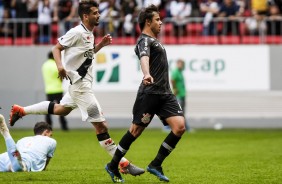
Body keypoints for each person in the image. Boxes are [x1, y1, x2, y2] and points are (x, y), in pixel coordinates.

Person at [9, 0, 144, 176]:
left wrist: (100, 46)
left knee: (61, 109)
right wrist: (59, 66)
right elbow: (56, 48)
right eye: (95, 13)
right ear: (86, 16)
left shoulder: (89, 33)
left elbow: (86, 56)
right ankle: (122, 163)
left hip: (79, 85)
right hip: (81, 87)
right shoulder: (77, 32)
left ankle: (22, 110)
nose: (99, 15)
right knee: (101, 126)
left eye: (98, 12)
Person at [105, 4, 186, 183]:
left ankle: (156, 164)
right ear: (148, 22)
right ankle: (113, 165)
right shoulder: (144, 40)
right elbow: (144, 57)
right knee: (134, 131)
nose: (161, 22)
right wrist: (146, 74)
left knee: (179, 127)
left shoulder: (155, 41)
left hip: (165, 94)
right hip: (149, 93)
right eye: (157, 19)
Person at [42, 51, 69, 131]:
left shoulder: (44, 65)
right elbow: (61, 76)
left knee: (48, 110)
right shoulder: (56, 65)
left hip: (48, 90)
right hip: (57, 89)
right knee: (61, 109)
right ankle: (64, 127)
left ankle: (48, 127)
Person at [170, 59, 190, 131]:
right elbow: (172, 80)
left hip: (182, 94)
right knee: (178, 112)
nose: (181, 65)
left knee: (182, 112)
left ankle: (185, 127)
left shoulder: (180, 72)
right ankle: (168, 127)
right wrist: (175, 89)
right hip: (178, 95)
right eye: (180, 64)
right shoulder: (175, 72)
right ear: (177, 64)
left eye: (182, 64)